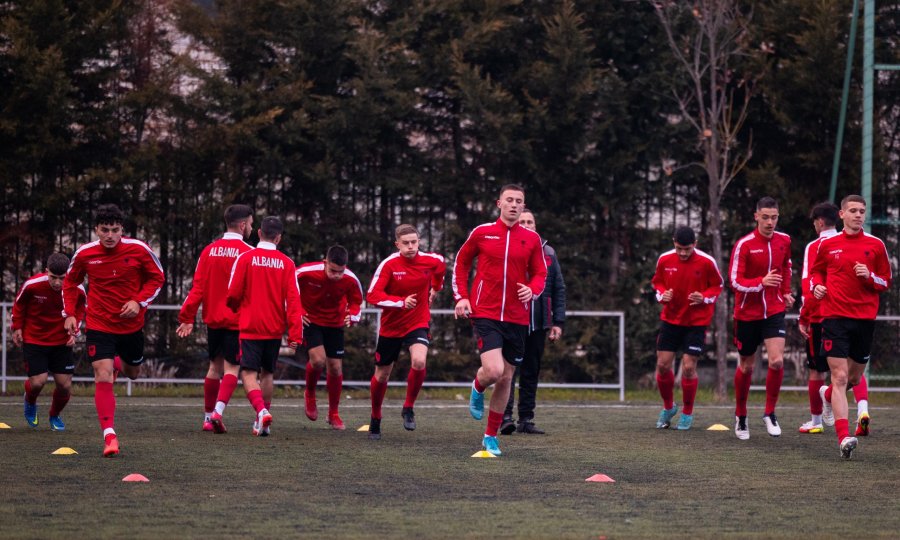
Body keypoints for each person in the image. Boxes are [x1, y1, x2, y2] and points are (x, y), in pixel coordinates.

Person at [63, 203, 165, 457]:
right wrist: (70, 314)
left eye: (115, 230)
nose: (110, 235)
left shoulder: (139, 250)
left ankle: (120, 364)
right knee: (102, 375)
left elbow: (158, 278)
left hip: (132, 326)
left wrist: (138, 302)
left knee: (132, 373)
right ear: (96, 229)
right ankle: (109, 435)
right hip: (99, 324)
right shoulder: (85, 254)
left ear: (122, 230)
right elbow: (70, 283)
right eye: (105, 230)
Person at [453, 184, 547, 456]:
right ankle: (477, 385)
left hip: (518, 317)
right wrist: (461, 296)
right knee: (493, 371)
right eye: (510, 200)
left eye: (519, 201)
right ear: (499, 203)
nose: (514, 205)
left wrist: (533, 289)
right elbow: (461, 263)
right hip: (486, 312)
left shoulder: (531, 239)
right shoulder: (482, 233)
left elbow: (541, 274)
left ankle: (490, 437)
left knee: (506, 378)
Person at [811, 195, 891, 459]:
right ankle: (844, 437)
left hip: (864, 320)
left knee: (854, 378)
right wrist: (817, 286)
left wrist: (870, 277)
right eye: (853, 211)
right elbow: (816, 272)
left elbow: (885, 281)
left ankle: (828, 396)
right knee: (840, 377)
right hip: (834, 317)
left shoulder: (876, 245)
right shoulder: (828, 245)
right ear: (842, 215)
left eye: (862, 211)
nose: (858, 215)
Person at [176, 204, 254, 433]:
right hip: (236, 321)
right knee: (232, 370)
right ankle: (216, 414)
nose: (251, 227)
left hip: (213, 320)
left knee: (213, 368)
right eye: (250, 224)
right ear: (242, 225)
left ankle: (207, 416)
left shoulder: (208, 251)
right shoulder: (248, 253)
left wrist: (187, 316)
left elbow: (197, 288)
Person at [225, 216, 304, 437]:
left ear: (259, 233)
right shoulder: (287, 263)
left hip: (251, 326)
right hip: (274, 328)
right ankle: (263, 420)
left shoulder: (245, 258)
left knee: (249, 373)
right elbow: (294, 301)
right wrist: (295, 334)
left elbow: (232, 293)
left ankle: (261, 412)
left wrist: (235, 307)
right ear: (279, 237)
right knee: (268, 373)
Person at [365, 225, 445, 440]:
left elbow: (440, 269)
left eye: (414, 242)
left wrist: (435, 288)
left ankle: (408, 407)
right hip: (391, 327)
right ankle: (375, 416)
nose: (411, 247)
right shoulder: (389, 265)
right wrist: (400, 302)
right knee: (382, 375)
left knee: (419, 361)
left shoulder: (431, 260)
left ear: (419, 241)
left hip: (417, 322)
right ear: (397, 244)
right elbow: (372, 296)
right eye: (406, 243)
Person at [797, 202, 870, 435]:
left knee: (818, 371)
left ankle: (816, 420)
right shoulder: (858, 241)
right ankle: (861, 410)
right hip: (853, 314)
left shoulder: (816, 246)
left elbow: (810, 283)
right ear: (839, 217)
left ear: (818, 222)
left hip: (824, 316)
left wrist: (804, 316)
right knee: (851, 369)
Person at [728, 196, 793, 440]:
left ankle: (769, 412)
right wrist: (760, 283)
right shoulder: (744, 245)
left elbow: (786, 267)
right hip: (747, 313)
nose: (770, 222)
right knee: (747, 365)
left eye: (774, 217)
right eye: (765, 217)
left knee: (776, 361)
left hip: (774, 310)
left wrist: (785, 291)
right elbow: (734, 281)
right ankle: (741, 415)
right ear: (756, 216)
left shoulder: (784, 240)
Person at [649, 226, 723, 431]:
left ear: (695, 245)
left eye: (687, 249)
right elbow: (657, 283)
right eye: (679, 248)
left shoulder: (707, 262)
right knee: (663, 365)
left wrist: (704, 296)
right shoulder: (664, 259)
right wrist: (662, 295)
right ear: (674, 242)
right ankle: (668, 408)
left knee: (689, 367)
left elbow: (718, 286)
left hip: (696, 322)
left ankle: (687, 413)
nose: (683, 253)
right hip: (671, 320)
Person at [500, 209, 566, 435]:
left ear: (535, 227)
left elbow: (558, 288)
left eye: (530, 222)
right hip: (510, 322)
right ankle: (505, 417)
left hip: (538, 323)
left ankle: (526, 419)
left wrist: (558, 322)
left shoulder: (548, 252)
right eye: (522, 221)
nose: (526, 225)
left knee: (531, 371)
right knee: (507, 371)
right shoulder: (507, 249)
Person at [12, 253, 86, 431]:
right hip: (34, 339)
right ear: (47, 272)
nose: (58, 283)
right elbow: (19, 305)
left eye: (62, 278)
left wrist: (74, 333)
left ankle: (54, 415)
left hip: (61, 341)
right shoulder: (32, 285)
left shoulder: (77, 289)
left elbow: (81, 310)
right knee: (38, 382)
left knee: (64, 386)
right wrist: (17, 327)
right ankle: (30, 400)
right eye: (53, 277)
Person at [296, 245, 364, 430]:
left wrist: (355, 314)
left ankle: (333, 413)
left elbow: (357, 301)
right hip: (311, 321)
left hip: (335, 324)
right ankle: (309, 394)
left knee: (335, 368)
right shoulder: (306, 272)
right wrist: (297, 311)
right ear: (325, 262)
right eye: (333, 270)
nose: (336, 275)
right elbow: (288, 288)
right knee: (318, 361)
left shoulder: (350, 279)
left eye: (340, 272)